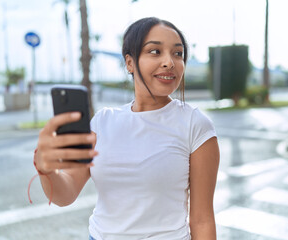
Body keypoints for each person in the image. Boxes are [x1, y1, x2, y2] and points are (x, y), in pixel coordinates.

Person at [33, 17, 220, 240]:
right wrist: (45, 169)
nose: (169, 62)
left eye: (178, 54)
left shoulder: (196, 125)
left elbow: (202, 219)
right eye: (155, 51)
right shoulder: (102, 122)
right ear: (130, 63)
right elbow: (65, 195)